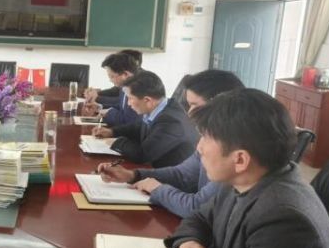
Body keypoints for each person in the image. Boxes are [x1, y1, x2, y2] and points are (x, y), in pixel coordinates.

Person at [161, 89, 329, 248]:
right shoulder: (241, 181)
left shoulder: (283, 219)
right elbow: (200, 217)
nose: (199, 147)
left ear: (240, 160)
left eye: (206, 138)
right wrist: (188, 242)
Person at [97, 69, 244, 217]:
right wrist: (132, 175)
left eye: (195, 105)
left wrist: (157, 189)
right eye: (189, 105)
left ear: (222, 105)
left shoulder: (234, 150)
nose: (190, 113)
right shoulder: (210, 137)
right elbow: (181, 174)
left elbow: (198, 207)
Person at [93, 71, 197, 168]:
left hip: (170, 177)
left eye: (130, 98)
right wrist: (112, 132)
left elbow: (142, 155)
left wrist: (115, 142)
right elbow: (138, 127)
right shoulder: (161, 107)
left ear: (147, 100)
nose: (128, 103)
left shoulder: (171, 121)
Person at [82, 52, 140, 126]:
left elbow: (127, 120)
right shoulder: (124, 87)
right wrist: (99, 107)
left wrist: (108, 113)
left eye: (112, 76)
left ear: (125, 74)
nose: (110, 80)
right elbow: (121, 107)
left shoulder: (137, 91)